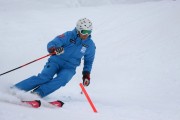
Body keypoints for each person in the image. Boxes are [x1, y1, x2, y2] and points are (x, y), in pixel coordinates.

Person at [14, 18, 96, 98]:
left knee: (63, 79)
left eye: (89, 32)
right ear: (78, 30)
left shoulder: (90, 45)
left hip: (70, 67)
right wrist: (55, 49)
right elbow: (53, 43)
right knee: (45, 77)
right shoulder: (68, 35)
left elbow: (89, 61)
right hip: (56, 61)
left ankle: (38, 93)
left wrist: (86, 75)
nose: (86, 34)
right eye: (84, 32)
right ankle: (16, 89)